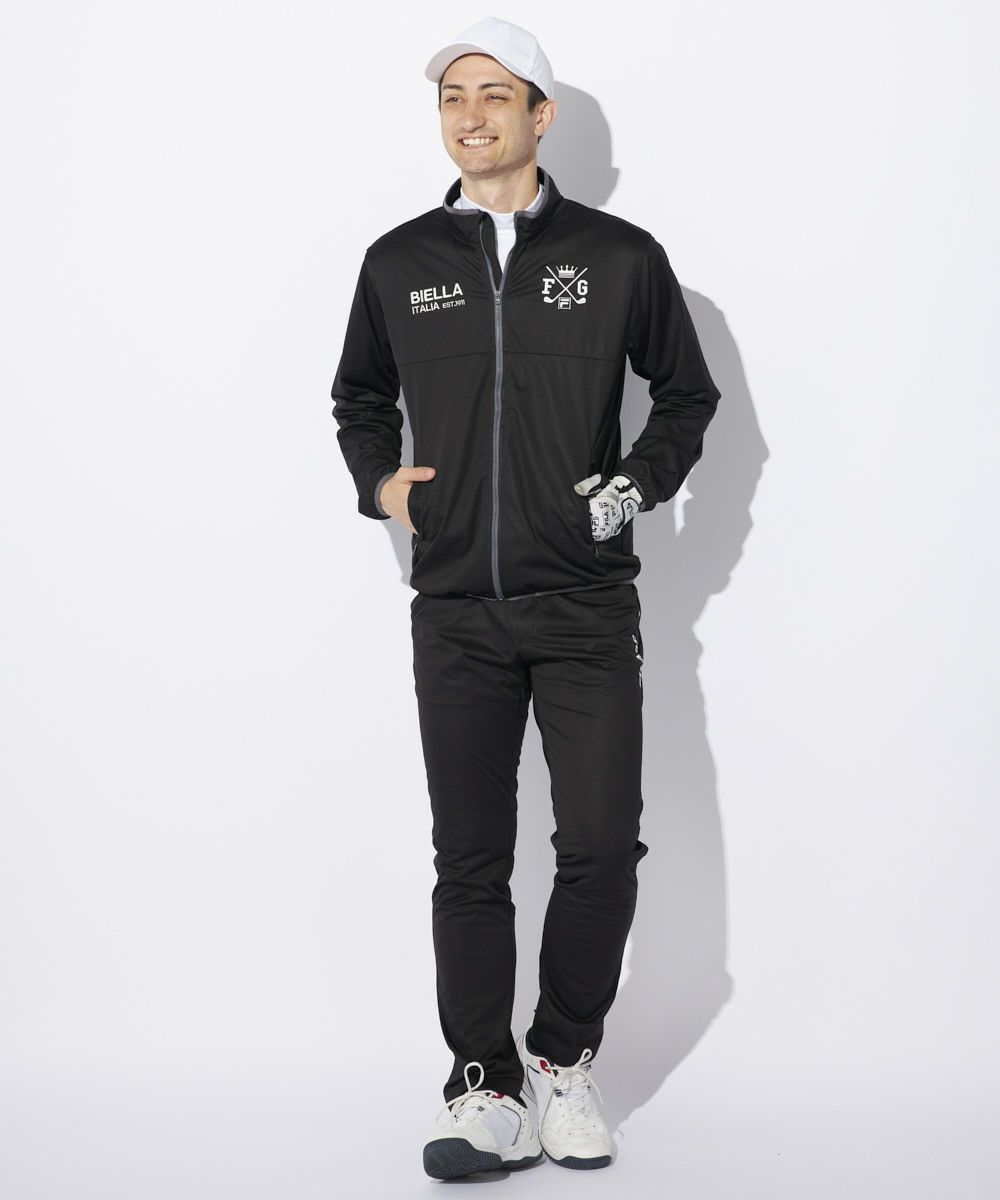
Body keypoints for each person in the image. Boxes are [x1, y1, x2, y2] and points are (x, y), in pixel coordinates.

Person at [330, 16, 721, 1180]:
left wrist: (633, 488)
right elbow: (357, 398)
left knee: (601, 846)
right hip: (455, 610)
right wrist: (381, 485)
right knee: (470, 860)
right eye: (454, 97)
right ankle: (484, 1087)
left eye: (494, 95)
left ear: (539, 116)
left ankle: (560, 1060)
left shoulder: (619, 257)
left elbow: (686, 396)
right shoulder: (398, 262)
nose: (471, 115)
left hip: (585, 605)